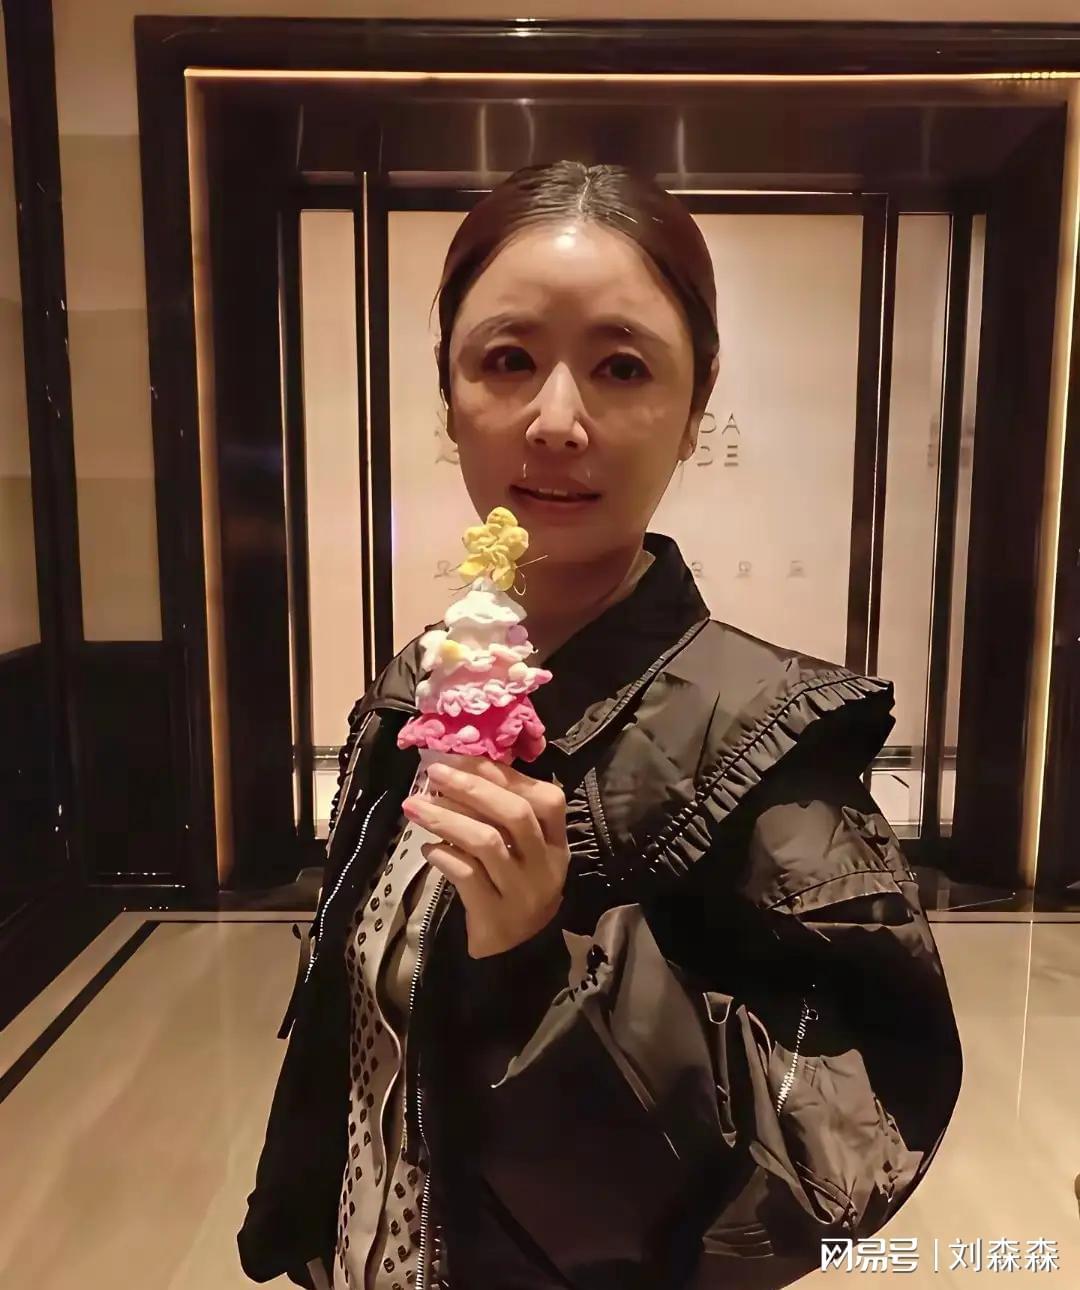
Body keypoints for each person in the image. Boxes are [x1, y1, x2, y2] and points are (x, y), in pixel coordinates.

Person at [238, 160, 963, 1290]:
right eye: (507, 361)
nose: (556, 419)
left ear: (694, 408)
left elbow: (834, 1162)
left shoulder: (766, 740)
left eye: (622, 367)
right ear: (448, 395)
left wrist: (545, 960)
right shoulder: (420, 684)